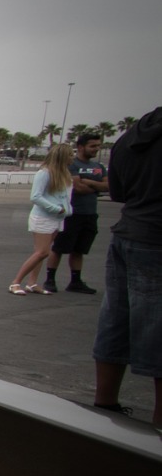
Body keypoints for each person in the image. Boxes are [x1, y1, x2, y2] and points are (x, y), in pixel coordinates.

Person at [92, 107, 162, 425]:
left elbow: (117, 190)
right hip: (156, 239)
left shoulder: (133, 135)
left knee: (115, 320)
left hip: (127, 232)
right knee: (155, 329)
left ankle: (105, 406)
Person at [43, 132, 108, 293]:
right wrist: (95, 186)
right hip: (71, 213)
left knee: (79, 249)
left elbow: (107, 187)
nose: (96, 149)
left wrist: (88, 182)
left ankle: (75, 281)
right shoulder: (72, 165)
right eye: (93, 146)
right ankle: (50, 279)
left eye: (98, 146)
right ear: (80, 147)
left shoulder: (99, 167)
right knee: (59, 248)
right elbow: (78, 188)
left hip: (90, 213)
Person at [8, 143, 74, 295]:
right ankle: (15, 282)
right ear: (62, 156)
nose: (72, 158)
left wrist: (66, 210)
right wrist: (56, 208)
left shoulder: (65, 175)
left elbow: (65, 197)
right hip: (43, 217)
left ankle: (32, 283)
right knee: (42, 252)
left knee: (42, 251)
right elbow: (36, 196)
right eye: (70, 155)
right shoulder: (44, 173)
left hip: (58, 218)